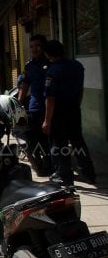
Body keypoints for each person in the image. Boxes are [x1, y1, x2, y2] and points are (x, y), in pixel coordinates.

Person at [42, 40, 96, 186]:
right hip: (73, 109)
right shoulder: (77, 66)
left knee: (58, 145)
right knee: (78, 142)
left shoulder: (53, 71)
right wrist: (76, 106)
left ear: (48, 54)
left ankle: (64, 176)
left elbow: (50, 99)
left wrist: (47, 120)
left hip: (58, 112)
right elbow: (80, 91)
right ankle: (88, 173)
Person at [17, 34, 52, 177]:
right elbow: (24, 87)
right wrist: (18, 105)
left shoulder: (52, 63)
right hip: (35, 108)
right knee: (36, 139)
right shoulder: (29, 66)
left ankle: (52, 165)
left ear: (44, 46)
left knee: (50, 140)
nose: (34, 49)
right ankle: (44, 166)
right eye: (31, 47)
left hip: (50, 107)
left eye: (37, 46)